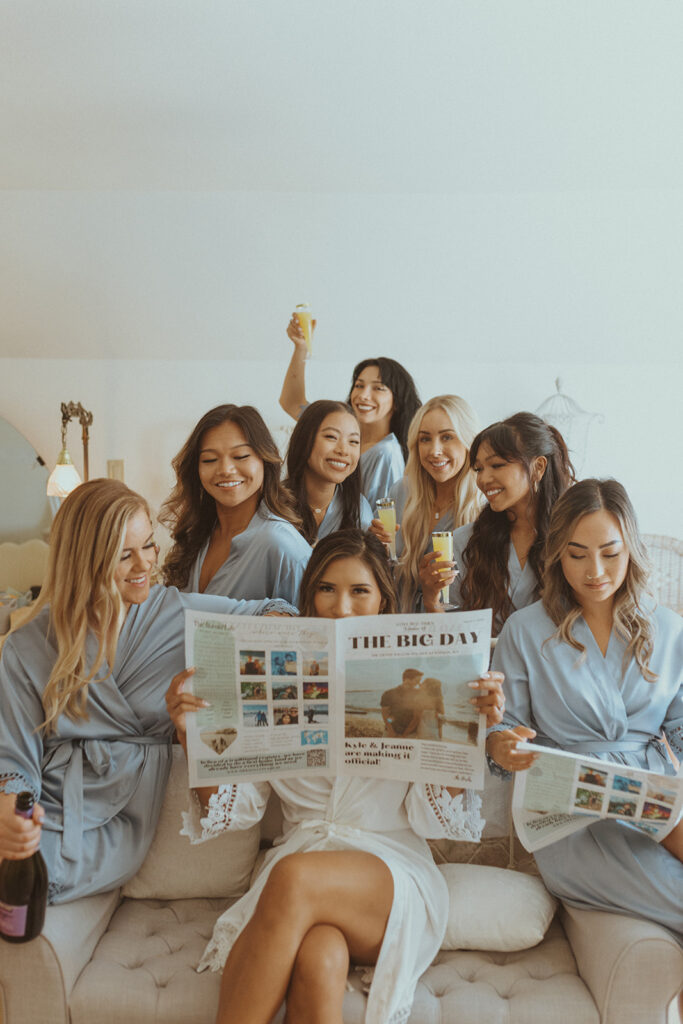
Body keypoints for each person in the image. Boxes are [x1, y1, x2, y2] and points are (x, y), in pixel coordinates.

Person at [166, 529, 506, 1024]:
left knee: (290, 877)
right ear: (309, 596)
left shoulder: (415, 672)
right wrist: (192, 735)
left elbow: (433, 821)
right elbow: (237, 810)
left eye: (358, 591)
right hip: (304, 871)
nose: (340, 607)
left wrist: (472, 734)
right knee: (320, 955)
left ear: (383, 601)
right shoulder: (282, 677)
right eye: (326, 589)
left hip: (389, 875)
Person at [0, 479, 295, 903]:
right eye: (124, 555)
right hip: (47, 798)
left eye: (149, 546)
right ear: (84, 561)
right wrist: (10, 814)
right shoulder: (28, 645)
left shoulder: (178, 613)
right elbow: (14, 756)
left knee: (25, 878)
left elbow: (273, 612)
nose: (145, 565)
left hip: (120, 814)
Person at [488, 478, 683, 939]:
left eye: (610, 553)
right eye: (577, 554)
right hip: (572, 819)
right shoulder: (524, 630)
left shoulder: (669, 629)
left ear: (631, 548)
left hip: (655, 803)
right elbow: (502, 730)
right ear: (557, 553)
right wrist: (503, 746)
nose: (594, 570)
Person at [423, 412, 574, 631]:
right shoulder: (464, 543)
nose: (483, 479)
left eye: (497, 465)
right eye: (479, 469)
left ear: (538, 467)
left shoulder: (575, 538)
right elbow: (450, 640)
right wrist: (431, 600)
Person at [161, 404, 312, 605]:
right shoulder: (197, 533)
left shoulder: (282, 546)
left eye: (240, 456)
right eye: (210, 459)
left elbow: (309, 627)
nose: (225, 469)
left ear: (265, 460)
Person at [278, 315, 421, 507]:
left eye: (378, 388)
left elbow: (377, 521)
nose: (363, 395)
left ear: (397, 401)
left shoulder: (386, 454)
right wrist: (300, 348)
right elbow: (292, 402)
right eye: (359, 386)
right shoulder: (335, 424)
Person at [370, 395, 481, 610]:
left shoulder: (482, 506)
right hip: (395, 625)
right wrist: (375, 548)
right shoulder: (401, 491)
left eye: (447, 437)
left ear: (469, 441)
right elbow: (378, 572)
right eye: (425, 439)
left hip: (452, 631)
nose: (434, 451)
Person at [283, 399, 373, 544]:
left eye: (354, 441)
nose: (343, 450)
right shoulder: (274, 505)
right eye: (331, 437)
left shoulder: (360, 509)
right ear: (305, 440)